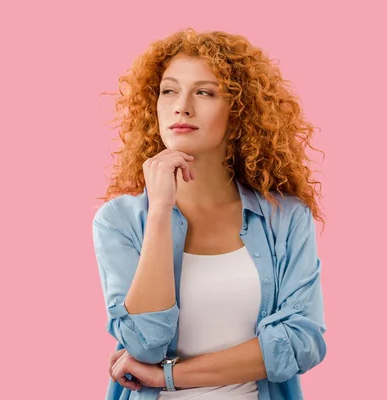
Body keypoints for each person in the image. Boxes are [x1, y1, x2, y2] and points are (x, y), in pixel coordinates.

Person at [92, 28, 327, 400]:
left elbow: (301, 341)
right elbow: (144, 343)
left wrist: (166, 377)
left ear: (238, 111)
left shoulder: (285, 217)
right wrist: (159, 211)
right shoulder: (119, 221)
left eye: (204, 92)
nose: (181, 106)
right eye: (169, 90)